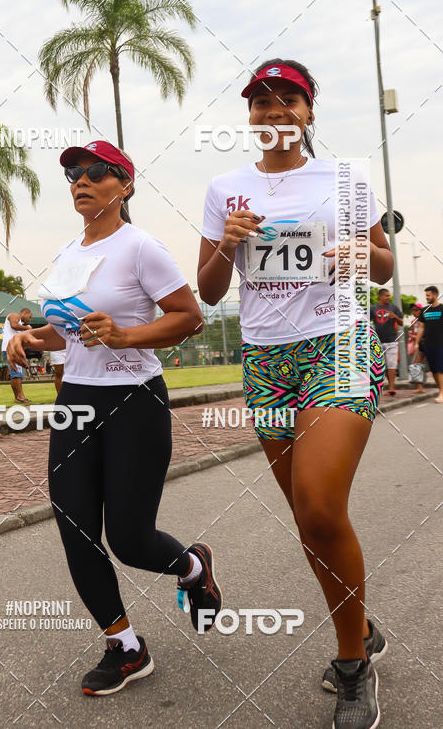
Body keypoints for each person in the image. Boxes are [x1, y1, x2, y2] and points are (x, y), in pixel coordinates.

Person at [198, 59, 390, 729]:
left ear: (310, 113)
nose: (274, 112)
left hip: (336, 344)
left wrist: (356, 257)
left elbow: (385, 262)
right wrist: (226, 243)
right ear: (250, 117)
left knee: (317, 501)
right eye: (262, 103)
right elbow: (210, 290)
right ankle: (360, 627)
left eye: (288, 102)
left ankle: (351, 667)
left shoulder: (344, 179)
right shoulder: (226, 188)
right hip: (266, 359)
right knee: (310, 520)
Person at [7, 140, 222, 696]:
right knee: (75, 527)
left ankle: (193, 569)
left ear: (124, 185)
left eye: (95, 171)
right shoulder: (66, 252)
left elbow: (189, 317)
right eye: (73, 173)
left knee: (128, 539)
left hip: (134, 400)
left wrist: (126, 334)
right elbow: (68, 329)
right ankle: (125, 646)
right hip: (76, 401)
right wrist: (32, 339)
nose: (80, 179)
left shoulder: (141, 247)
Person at [370, 289, 404, 395]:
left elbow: (402, 323)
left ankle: (392, 387)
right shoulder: (373, 308)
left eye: (389, 296)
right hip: (378, 342)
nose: (388, 297)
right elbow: (368, 321)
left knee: (392, 364)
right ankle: (387, 386)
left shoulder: (394, 308)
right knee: (382, 365)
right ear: (380, 296)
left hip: (392, 340)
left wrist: (395, 317)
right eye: (386, 296)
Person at [416, 286, 443, 403]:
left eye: (428, 295)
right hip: (428, 344)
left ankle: (442, 393)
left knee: (439, 369)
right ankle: (441, 390)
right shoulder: (425, 310)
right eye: (426, 295)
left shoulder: (442, 308)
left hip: (440, 343)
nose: (426, 297)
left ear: (435, 295)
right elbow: (421, 327)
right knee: (433, 370)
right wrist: (417, 343)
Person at [1, 308, 33, 403]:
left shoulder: (21, 326)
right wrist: (27, 328)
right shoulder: (14, 315)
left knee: (17, 374)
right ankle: (21, 397)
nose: (29, 320)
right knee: (16, 374)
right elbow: (14, 325)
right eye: (29, 317)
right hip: (10, 350)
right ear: (25, 313)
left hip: (14, 350)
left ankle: (17, 397)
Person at [408, 303, 426, 394]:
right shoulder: (413, 322)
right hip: (419, 346)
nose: (413, 312)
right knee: (416, 365)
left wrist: (415, 337)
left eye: (416, 310)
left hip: (428, 344)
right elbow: (412, 333)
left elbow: (423, 334)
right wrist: (412, 335)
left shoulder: (425, 320)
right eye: (412, 310)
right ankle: (420, 388)